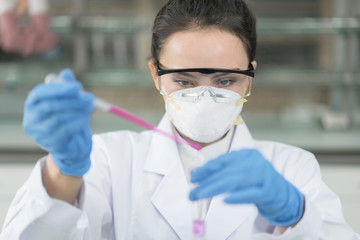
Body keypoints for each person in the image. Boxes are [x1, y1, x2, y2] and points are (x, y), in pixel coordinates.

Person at [1, 0, 359, 239]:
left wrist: (295, 215)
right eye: (184, 81)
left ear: (251, 74)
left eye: (225, 81)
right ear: (156, 74)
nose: (204, 97)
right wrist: (62, 171)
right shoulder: (109, 160)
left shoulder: (292, 168)